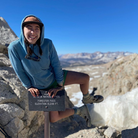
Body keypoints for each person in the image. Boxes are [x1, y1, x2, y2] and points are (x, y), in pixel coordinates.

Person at [8, 15, 103, 126]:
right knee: (54, 118)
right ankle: (80, 110)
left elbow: (56, 64)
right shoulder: (14, 48)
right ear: (22, 29)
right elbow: (19, 70)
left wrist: (59, 84)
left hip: (54, 78)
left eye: (37, 28)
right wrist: (28, 86)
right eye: (29, 27)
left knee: (84, 78)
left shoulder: (47, 43)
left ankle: (87, 98)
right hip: (42, 87)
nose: (33, 32)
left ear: (41, 30)